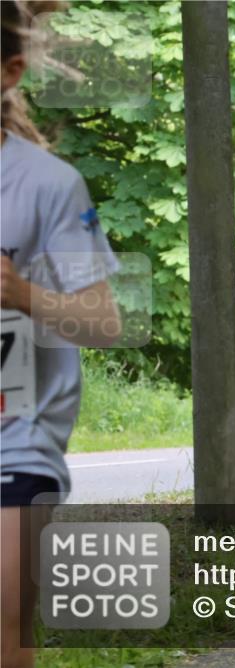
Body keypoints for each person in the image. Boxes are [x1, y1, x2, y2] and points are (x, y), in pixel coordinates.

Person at [2, 3, 122, 665]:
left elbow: (104, 324)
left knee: (4, 621)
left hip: (17, 441)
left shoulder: (50, 186)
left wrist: (22, 294)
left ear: (10, 71)